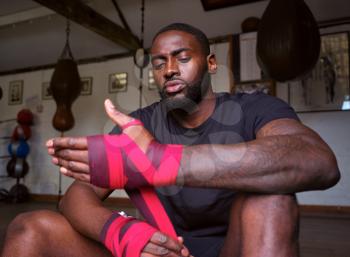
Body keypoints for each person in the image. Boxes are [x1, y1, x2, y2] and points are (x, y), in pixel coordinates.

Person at [1, 23, 340, 257]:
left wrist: (163, 161)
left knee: (270, 201)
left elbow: (317, 161)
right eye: (159, 62)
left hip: (235, 248)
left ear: (209, 63)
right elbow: (75, 198)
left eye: (182, 57)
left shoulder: (254, 108)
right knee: (29, 227)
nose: (169, 70)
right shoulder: (140, 123)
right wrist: (125, 235)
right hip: (160, 249)